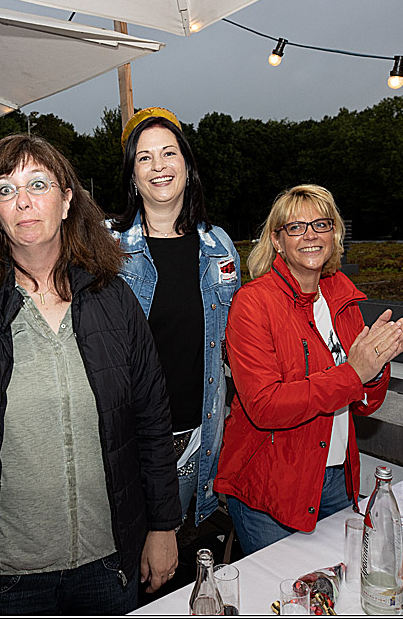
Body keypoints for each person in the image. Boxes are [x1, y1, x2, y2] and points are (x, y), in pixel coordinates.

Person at [0, 134, 180, 615]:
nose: (22, 201)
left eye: (38, 184)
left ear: (67, 200)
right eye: (5, 189)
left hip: (110, 564)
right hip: (6, 579)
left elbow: (151, 421)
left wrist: (163, 526)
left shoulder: (114, 299)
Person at [214, 184, 403, 555]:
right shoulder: (253, 304)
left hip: (337, 476)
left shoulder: (343, 298)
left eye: (321, 224)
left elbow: (364, 405)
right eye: (296, 227)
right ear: (277, 241)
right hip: (271, 487)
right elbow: (266, 406)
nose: (310, 235)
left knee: (339, 595)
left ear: (334, 234)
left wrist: (377, 365)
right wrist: (354, 373)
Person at [108, 107, 240, 529]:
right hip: (128, 442)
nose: (159, 166)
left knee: (174, 562)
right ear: (132, 173)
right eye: (144, 157)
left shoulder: (219, 246)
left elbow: (234, 343)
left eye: (168, 153)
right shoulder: (104, 249)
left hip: (197, 439)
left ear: (187, 165)